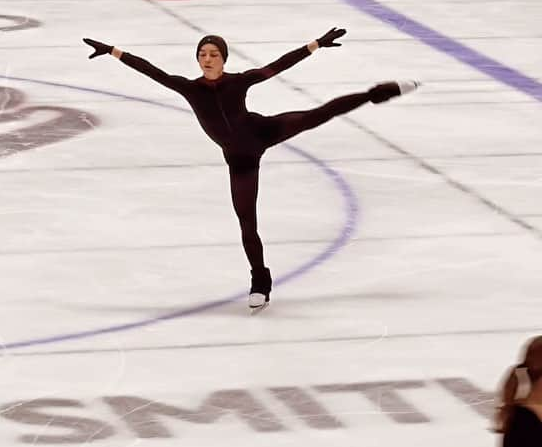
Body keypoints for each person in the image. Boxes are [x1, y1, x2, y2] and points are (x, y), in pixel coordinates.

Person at [83, 31, 418, 309]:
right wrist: (113, 51)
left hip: (263, 131)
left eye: (214, 53)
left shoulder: (238, 82)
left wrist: (314, 45)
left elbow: (277, 66)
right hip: (239, 159)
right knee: (246, 221)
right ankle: (261, 279)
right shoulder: (190, 88)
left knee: (318, 114)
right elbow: (150, 70)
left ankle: (379, 92)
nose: (208, 58)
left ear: (223, 58)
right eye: (203, 54)